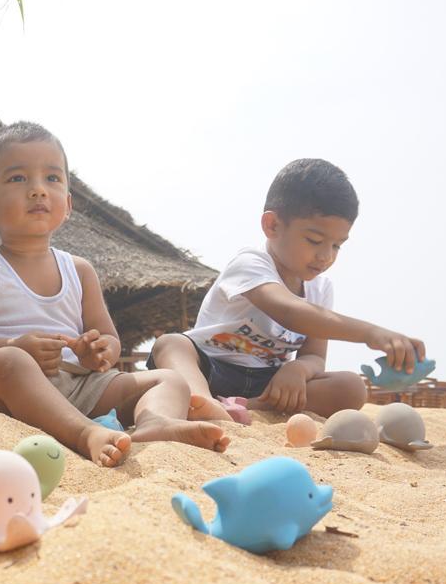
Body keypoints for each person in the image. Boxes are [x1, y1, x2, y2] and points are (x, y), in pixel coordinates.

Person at [0, 122, 230, 467]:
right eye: (18, 179)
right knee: (10, 364)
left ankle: (154, 422)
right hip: (0, 387)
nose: (38, 190)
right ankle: (84, 433)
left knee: (169, 379)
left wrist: (98, 352)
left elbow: (109, 338)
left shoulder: (79, 270)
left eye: (52, 178)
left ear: (69, 204)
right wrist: (12, 347)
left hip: (79, 384)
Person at [148, 158, 426, 422]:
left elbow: (315, 356)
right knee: (172, 344)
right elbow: (289, 312)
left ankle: (247, 409)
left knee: (351, 387)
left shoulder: (320, 288)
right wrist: (371, 333)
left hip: (268, 382)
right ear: (272, 225)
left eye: (337, 245)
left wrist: (298, 369)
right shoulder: (250, 263)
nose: (326, 256)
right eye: (314, 240)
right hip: (210, 368)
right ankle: (202, 401)